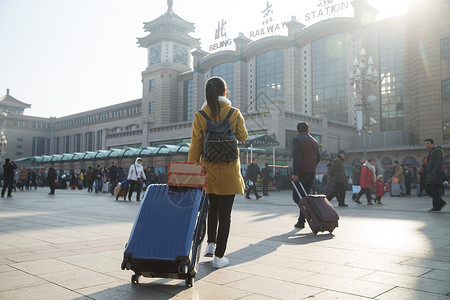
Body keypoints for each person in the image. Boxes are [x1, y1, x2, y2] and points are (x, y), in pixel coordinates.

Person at [188, 76, 248, 269]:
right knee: (225, 214)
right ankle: (219, 257)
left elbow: (195, 147)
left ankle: (211, 245)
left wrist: (192, 173)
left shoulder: (200, 115)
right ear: (225, 92)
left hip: (209, 173)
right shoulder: (233, 112)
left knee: (211, 209)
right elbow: (243, 137)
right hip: (229, 173)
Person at [292, 121, 321, 229]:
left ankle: (310, 213)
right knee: (305, 196)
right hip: (311, 173)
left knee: (297, 197)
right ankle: (301, 221)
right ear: (308, 130)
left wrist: (295, 173)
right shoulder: (314, 141)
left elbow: (297, 158)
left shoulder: (297, 140)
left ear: (297, 131)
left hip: (301, 173)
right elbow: (318, 157)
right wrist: (312, 166)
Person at [424, 138, 446, 212]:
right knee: (428, 190)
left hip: (436, 176)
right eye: (425, 144)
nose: (426, 145)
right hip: (431, 175)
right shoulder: (431, 152)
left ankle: (436, 207)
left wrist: (434, 174)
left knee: (434, 191)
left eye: (428, 143)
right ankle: (441, 202)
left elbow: (437, 165)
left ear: (432, 144)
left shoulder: (437, 152)